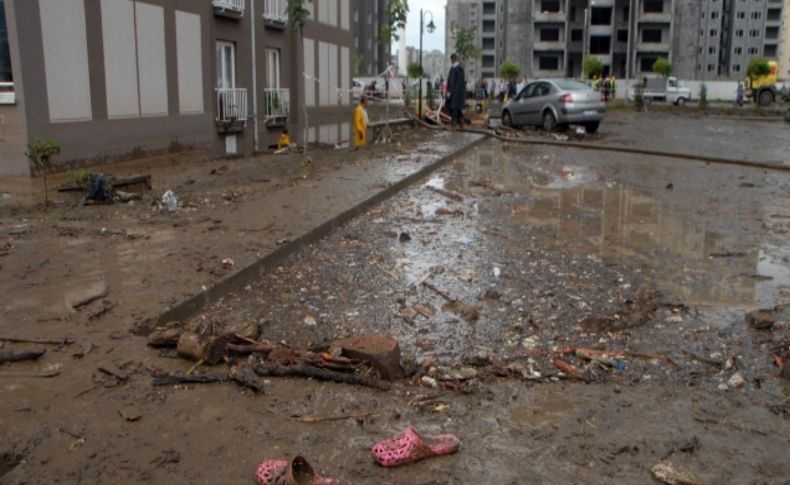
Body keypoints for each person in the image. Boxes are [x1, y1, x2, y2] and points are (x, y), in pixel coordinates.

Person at [447, 53, 466, 128]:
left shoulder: (458, 69)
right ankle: (461, 122)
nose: (451, 61)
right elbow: (450, 81)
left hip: (456, 92)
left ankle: (454, 124)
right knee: (457, 108)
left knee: (454, 108)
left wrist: (451, 91)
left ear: (453, 59)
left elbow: (457, 82)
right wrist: (449, 90)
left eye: (451, 60)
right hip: (454, 92)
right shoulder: (453, 69)